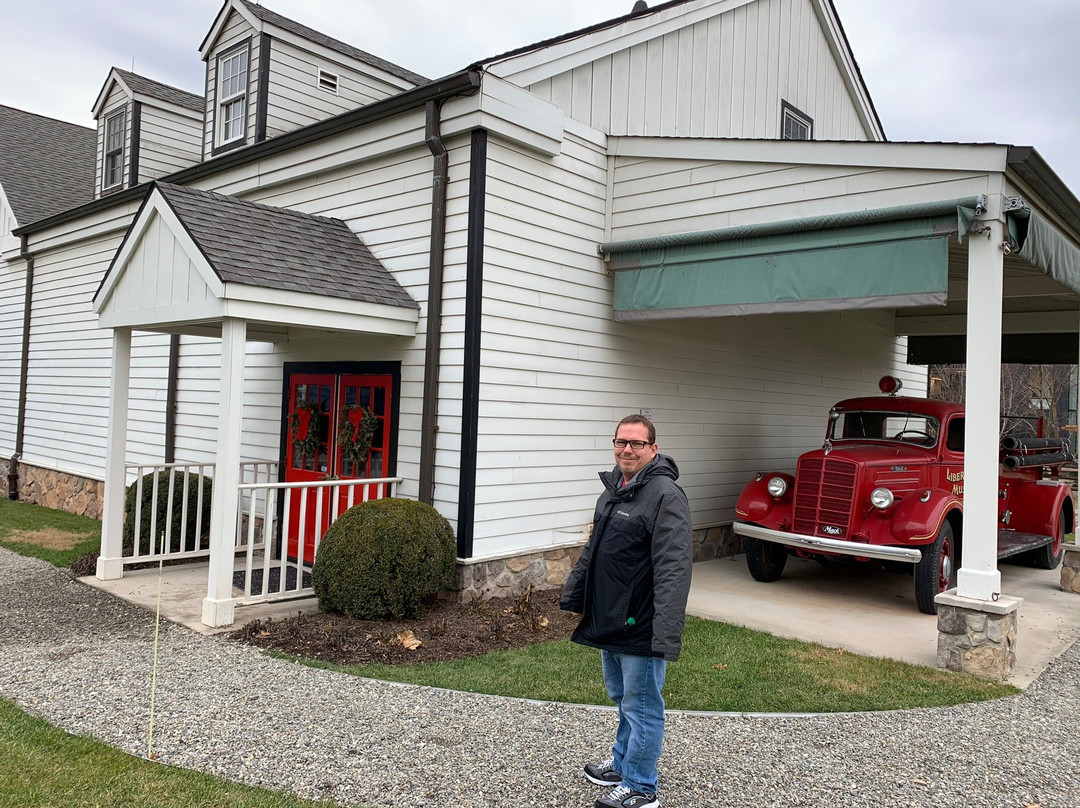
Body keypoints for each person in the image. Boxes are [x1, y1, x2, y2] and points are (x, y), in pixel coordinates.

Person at [561, 414, 693, 808]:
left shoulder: (665, 495)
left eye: (637, 443)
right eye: (622, 442)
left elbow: (674, 568)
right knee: (623, 697)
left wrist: (666, 629)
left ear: (653, 449)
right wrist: (575, 592)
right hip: (610, 616)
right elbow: (594, 550)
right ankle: (623, 763)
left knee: (643, 703)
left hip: (641, 622)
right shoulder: (614, 490)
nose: (627, 449)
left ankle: (641, 786)